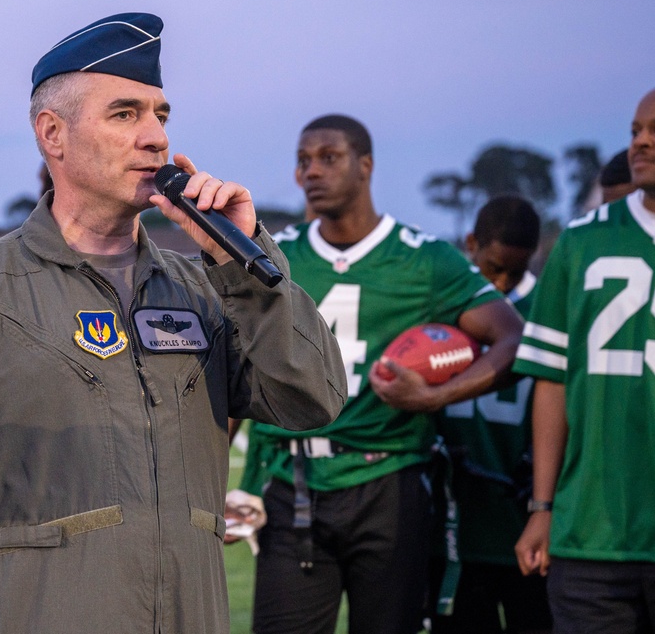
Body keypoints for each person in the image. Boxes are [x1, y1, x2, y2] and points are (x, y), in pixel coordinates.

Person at [0, 12, 346, 633]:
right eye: (125, 114)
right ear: (52, 134)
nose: (156, 138)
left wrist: (247, 268)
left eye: (162, 115)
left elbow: (312, 400)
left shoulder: (206, 287)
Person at [239, 114, 525, 634]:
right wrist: (232, 482)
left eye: (329, 158)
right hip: (292, 481)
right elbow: (237, 361)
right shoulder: (276, 256)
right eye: (304, 161)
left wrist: (436, 398)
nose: (312, 172)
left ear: (366, 165)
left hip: (388, 482)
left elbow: (513, 338)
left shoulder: (426, 260)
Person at [514, 89, 655, 632]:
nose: (641, 141)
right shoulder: (581, 241)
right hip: (590, 529)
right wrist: (542, 508)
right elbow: (553, 381)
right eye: (635, 129)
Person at [430, 196, 552, 633]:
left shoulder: (550, 307)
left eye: (515, 273)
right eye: (493, 267)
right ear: (470, 244)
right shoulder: (444, 303)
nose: (501, 283)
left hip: (526, 525)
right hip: (456, 527)